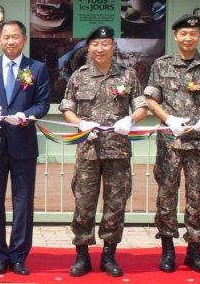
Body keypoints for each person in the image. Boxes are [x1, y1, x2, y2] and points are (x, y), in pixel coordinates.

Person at [59, 26, 147, 277]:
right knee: (84, 204)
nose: (100, 48)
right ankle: (82, 255)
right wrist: (79, 123)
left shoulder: (128, 75)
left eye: (105, 44)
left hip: (117, 152)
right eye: (95, 44)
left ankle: (109, 255)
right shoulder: (79, 76)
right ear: (88, 48)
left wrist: (130, 120)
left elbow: (141, 107)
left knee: (115, 205)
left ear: (113, 46)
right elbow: (67, 108)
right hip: (88, 150)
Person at [144, 13, 200, 274]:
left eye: (193, 33)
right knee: (166, 195)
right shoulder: (161, 64)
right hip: (170, 142)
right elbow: (150, 99)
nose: (188, 37)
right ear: (176, 36)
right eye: (183, 34)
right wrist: (168, 118)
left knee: (196, 197)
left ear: (199, 36)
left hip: (199, 142)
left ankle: (194, 250)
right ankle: (167, 249)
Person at [0, 20, 50, 275]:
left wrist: (26, 115)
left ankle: (18, 255)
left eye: (15, 37)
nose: (10, 41)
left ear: (24, 39)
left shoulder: (36, 68)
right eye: (5, 37)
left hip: (23, 144)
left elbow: (43, 103)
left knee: (23, 202)